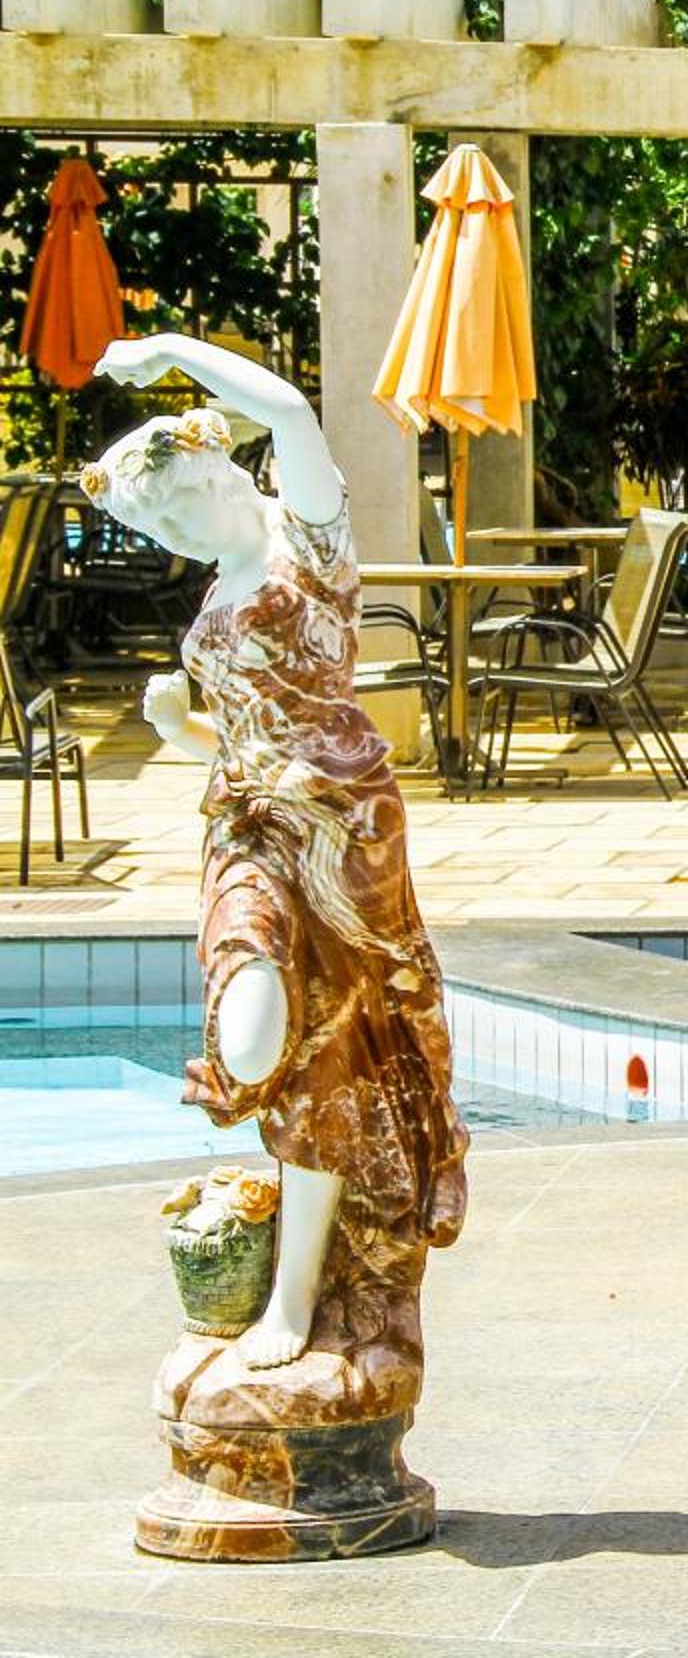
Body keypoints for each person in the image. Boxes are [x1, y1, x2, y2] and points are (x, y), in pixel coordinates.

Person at [84, 333, 467, 1374]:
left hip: (340, 830)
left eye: (175, 512)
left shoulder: (309, 541)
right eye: (154, 530)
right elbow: (246, 736)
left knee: (327, 1065)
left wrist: (166, 347)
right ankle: (291, 1280)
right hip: (244, 823)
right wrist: (182, 732)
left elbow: (291, 410)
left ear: (216, 468)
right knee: (253, 1041)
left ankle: (295, 1295)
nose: (173, 537)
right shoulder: (219, 584)